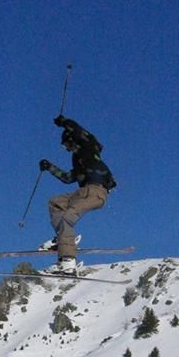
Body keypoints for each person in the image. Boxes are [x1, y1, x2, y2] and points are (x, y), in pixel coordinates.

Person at [37, 115, 117, 275]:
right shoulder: (78, 160)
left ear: (73, 140)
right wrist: (49, 167)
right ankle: (63, 239)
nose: (67, 149)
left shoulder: (89, 148)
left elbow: (81, 132)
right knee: (55, 202)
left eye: (67, 145)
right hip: (83, 192)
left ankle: (68, 262)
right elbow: (67, 178)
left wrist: (64, 122)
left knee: (67, 218)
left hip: (95, 191)